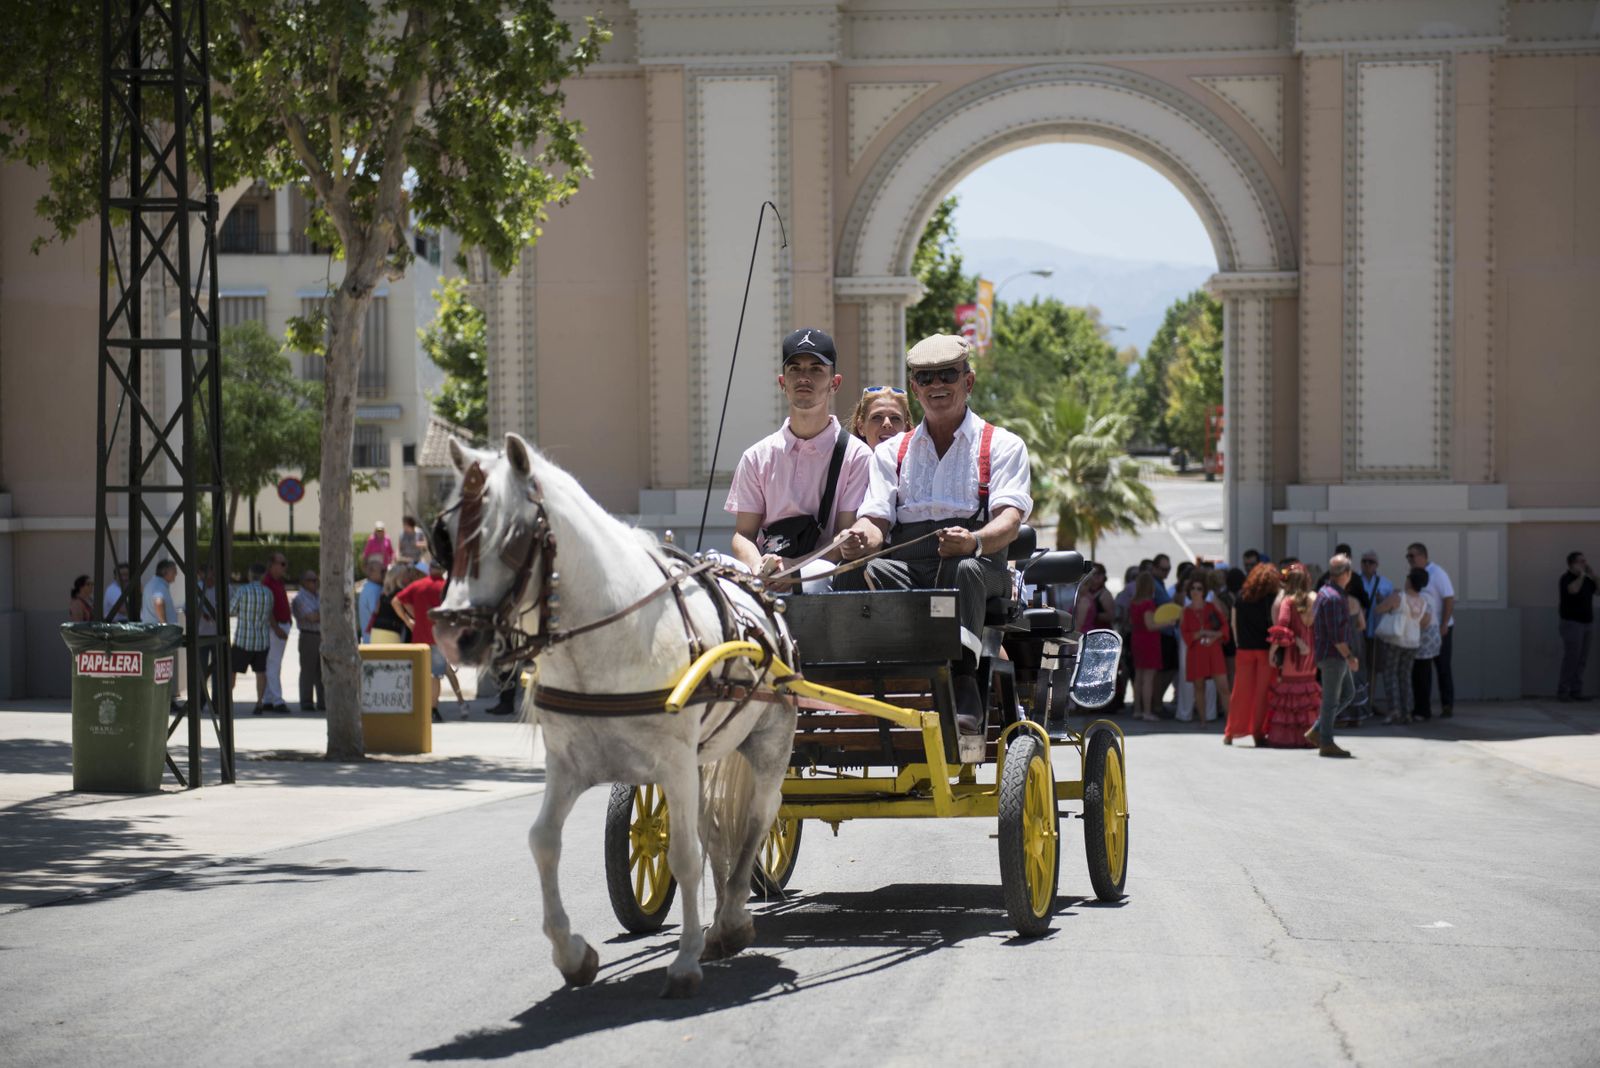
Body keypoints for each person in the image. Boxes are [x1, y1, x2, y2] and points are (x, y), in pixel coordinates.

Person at [838, 333, 1032, 734]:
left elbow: (1009, 520)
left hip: (981, 565)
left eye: (947, 374)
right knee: (853, 573)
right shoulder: (891, 453)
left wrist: (974, 541)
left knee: (963, 570)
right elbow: (875, 521)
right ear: (915, 387)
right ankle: (866, 684)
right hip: (911, 568)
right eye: (925, 378)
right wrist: (857, 540)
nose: (936, 385)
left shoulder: (1004, 445)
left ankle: (964, 686)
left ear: (969, 381)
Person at [725, 328, 872, 594]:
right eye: (795, 368)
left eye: (816, 369)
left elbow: (844, 541)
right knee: (714, 569)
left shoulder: (857, 455)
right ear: (782, 382)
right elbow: (743, 535)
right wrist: (760, 567)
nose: (804, 377)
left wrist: (793, 568)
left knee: (811, 579)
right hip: (765, 571)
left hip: (821, 575)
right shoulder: (757, 456)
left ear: (834, 383)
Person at [1265, 565, 1319, 748]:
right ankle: (1310, 736)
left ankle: (1290, 737)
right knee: (1308, 693)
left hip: (1294, 654)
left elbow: (1281, 629)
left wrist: (1272, 652)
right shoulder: (1316, 598)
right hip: (1312, 653)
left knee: (1290, 694)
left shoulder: (1288, 602)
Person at [1225, 563, 1279, 746]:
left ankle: (1230, 731)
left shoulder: (1241, 596)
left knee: (1240, 691)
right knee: (1262, 693)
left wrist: (1239, 642)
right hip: (1264, 650)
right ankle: (1258, 732)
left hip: (1244, 649)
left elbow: (1233, 622)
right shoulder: (1272, 598)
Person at [1308, 554, 1357, 758]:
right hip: (1333, 656)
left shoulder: (1324, 593)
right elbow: (1337, 637)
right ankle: (1326, 742)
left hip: (1328, 654)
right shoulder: (1334, 598)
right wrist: (1350, 657)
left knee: (1347, 693)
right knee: (1331, 700)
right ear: (1346, 574)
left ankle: (1318, 730)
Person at [393, 559, 450, 722]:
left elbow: (396, 601)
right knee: (436, 676)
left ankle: (419, 709)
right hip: (439, 638)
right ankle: (433, 709)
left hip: (419, 638)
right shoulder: (446, 587)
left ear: (429, 569)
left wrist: (408, 619)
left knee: (419, 675)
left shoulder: (418, 585)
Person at [1406, 542, 1455, 719]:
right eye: (1408, 557)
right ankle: (1422, 708)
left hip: (1440, 629)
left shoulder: (1438, 573)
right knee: (1421, 670)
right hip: (1421, 631)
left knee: (1442, 667)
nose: (1409, 560)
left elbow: (1449, 598)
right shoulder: (1414, 575)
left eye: (1412, 556)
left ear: (1422, 556)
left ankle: (1447, 704)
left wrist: (1444, 624)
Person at [1376, 568, 1430, 724]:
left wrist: (1382, 599)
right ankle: (1407, 711)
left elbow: (1379, 609)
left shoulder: (1399, 597)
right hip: (1413, 642)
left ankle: (1394, 710)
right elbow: (1424, 622)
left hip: (1396, 639)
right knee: (1405, 676)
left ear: (1410, 581)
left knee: (1390, 674)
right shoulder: (1423, 602)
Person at [1180, 574, 1230, 730]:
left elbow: (1225, 627)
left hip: (1213, 650)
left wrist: (1214, 636)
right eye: (1193, 588)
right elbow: (1185, 634)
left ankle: (1230, 721)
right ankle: (1203, 720)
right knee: (1199, 686)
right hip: (1196, 652)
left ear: (1204, 591)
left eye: (1199, 588)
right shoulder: (1186, 611)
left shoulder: (1211, 607)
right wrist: (1199, 634)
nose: (1196, 591)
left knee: (1223, 686)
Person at [229, 563, 276, 713]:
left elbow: (231, 610)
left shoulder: (242, 591)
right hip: (262, 640)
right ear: (263, 576)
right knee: (260, 672)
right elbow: (269, 614)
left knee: (232, 670)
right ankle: (259, 702)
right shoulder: (268, 593)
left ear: (250, 574)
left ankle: (228, 699)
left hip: (243, 639)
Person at [1558, 551, 1598, 701]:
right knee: (1571, 658)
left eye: (1585, 561)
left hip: (1587, 623)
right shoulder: (1566, 578)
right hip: (1572, 624)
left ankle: (1576, 691)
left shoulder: (1588, 580)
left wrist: (1593, 575)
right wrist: (1581, 576)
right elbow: (1573, 590)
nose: (1584, 564)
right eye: (1581, 561)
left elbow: (1599, 591)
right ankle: (1563, 691)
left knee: (1582, 659)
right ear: (1572, 564)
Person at [259, 552, 293, 714]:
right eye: (282, 564)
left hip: (282, 625)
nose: (284, 567)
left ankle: (268, 699)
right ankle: (277, 700)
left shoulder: (277, 582)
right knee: (273, 664)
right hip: (275, 628)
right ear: (272, 565)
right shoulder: (267, 582)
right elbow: (267, 609)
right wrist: (277, 628)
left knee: (273, 664)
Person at [1129, 572, 1162, 721]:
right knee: (1148, 677)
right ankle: (1147, 711)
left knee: (1139, 676)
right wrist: (1167, 623)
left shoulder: (1134, 602)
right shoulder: (1148, 603)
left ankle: (1137, 709)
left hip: (1137, 638)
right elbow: (1150, 625)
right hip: (1148, 640)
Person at [291, 570, 323, 713]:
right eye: (311, 580)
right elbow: (312, 617)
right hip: (309, 636)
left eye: (316, 579)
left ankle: (323, 702)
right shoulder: (300, 598)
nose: (315, 583)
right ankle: (306, 702)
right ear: (304, 582)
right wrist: (324, 614)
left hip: (322, 635)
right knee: (308, 671)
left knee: (322, 672)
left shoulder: (318, 596)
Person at [369, 563, 419, 644]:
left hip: (376, 630)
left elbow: (377, 611)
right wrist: (409, 621)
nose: (409, 577)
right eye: (406, 574)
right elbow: (412, 612)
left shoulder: (384, 594)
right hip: (391, 632)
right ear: (400, 577)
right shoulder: (401, 593)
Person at [356, 554, 385, 643]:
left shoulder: (371, 587)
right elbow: (377, 614)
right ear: (372, 572)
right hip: (374, 643)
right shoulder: (373, 589)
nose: (385, 574)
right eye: (382, 571)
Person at [142, 559, 178, 625]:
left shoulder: (153, 584)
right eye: (174, 571)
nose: (176, 573)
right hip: (159, 632)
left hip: (153, 630)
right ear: (164, 571)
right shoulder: (159, 586)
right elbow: (158, 602)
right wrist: (164, 625)